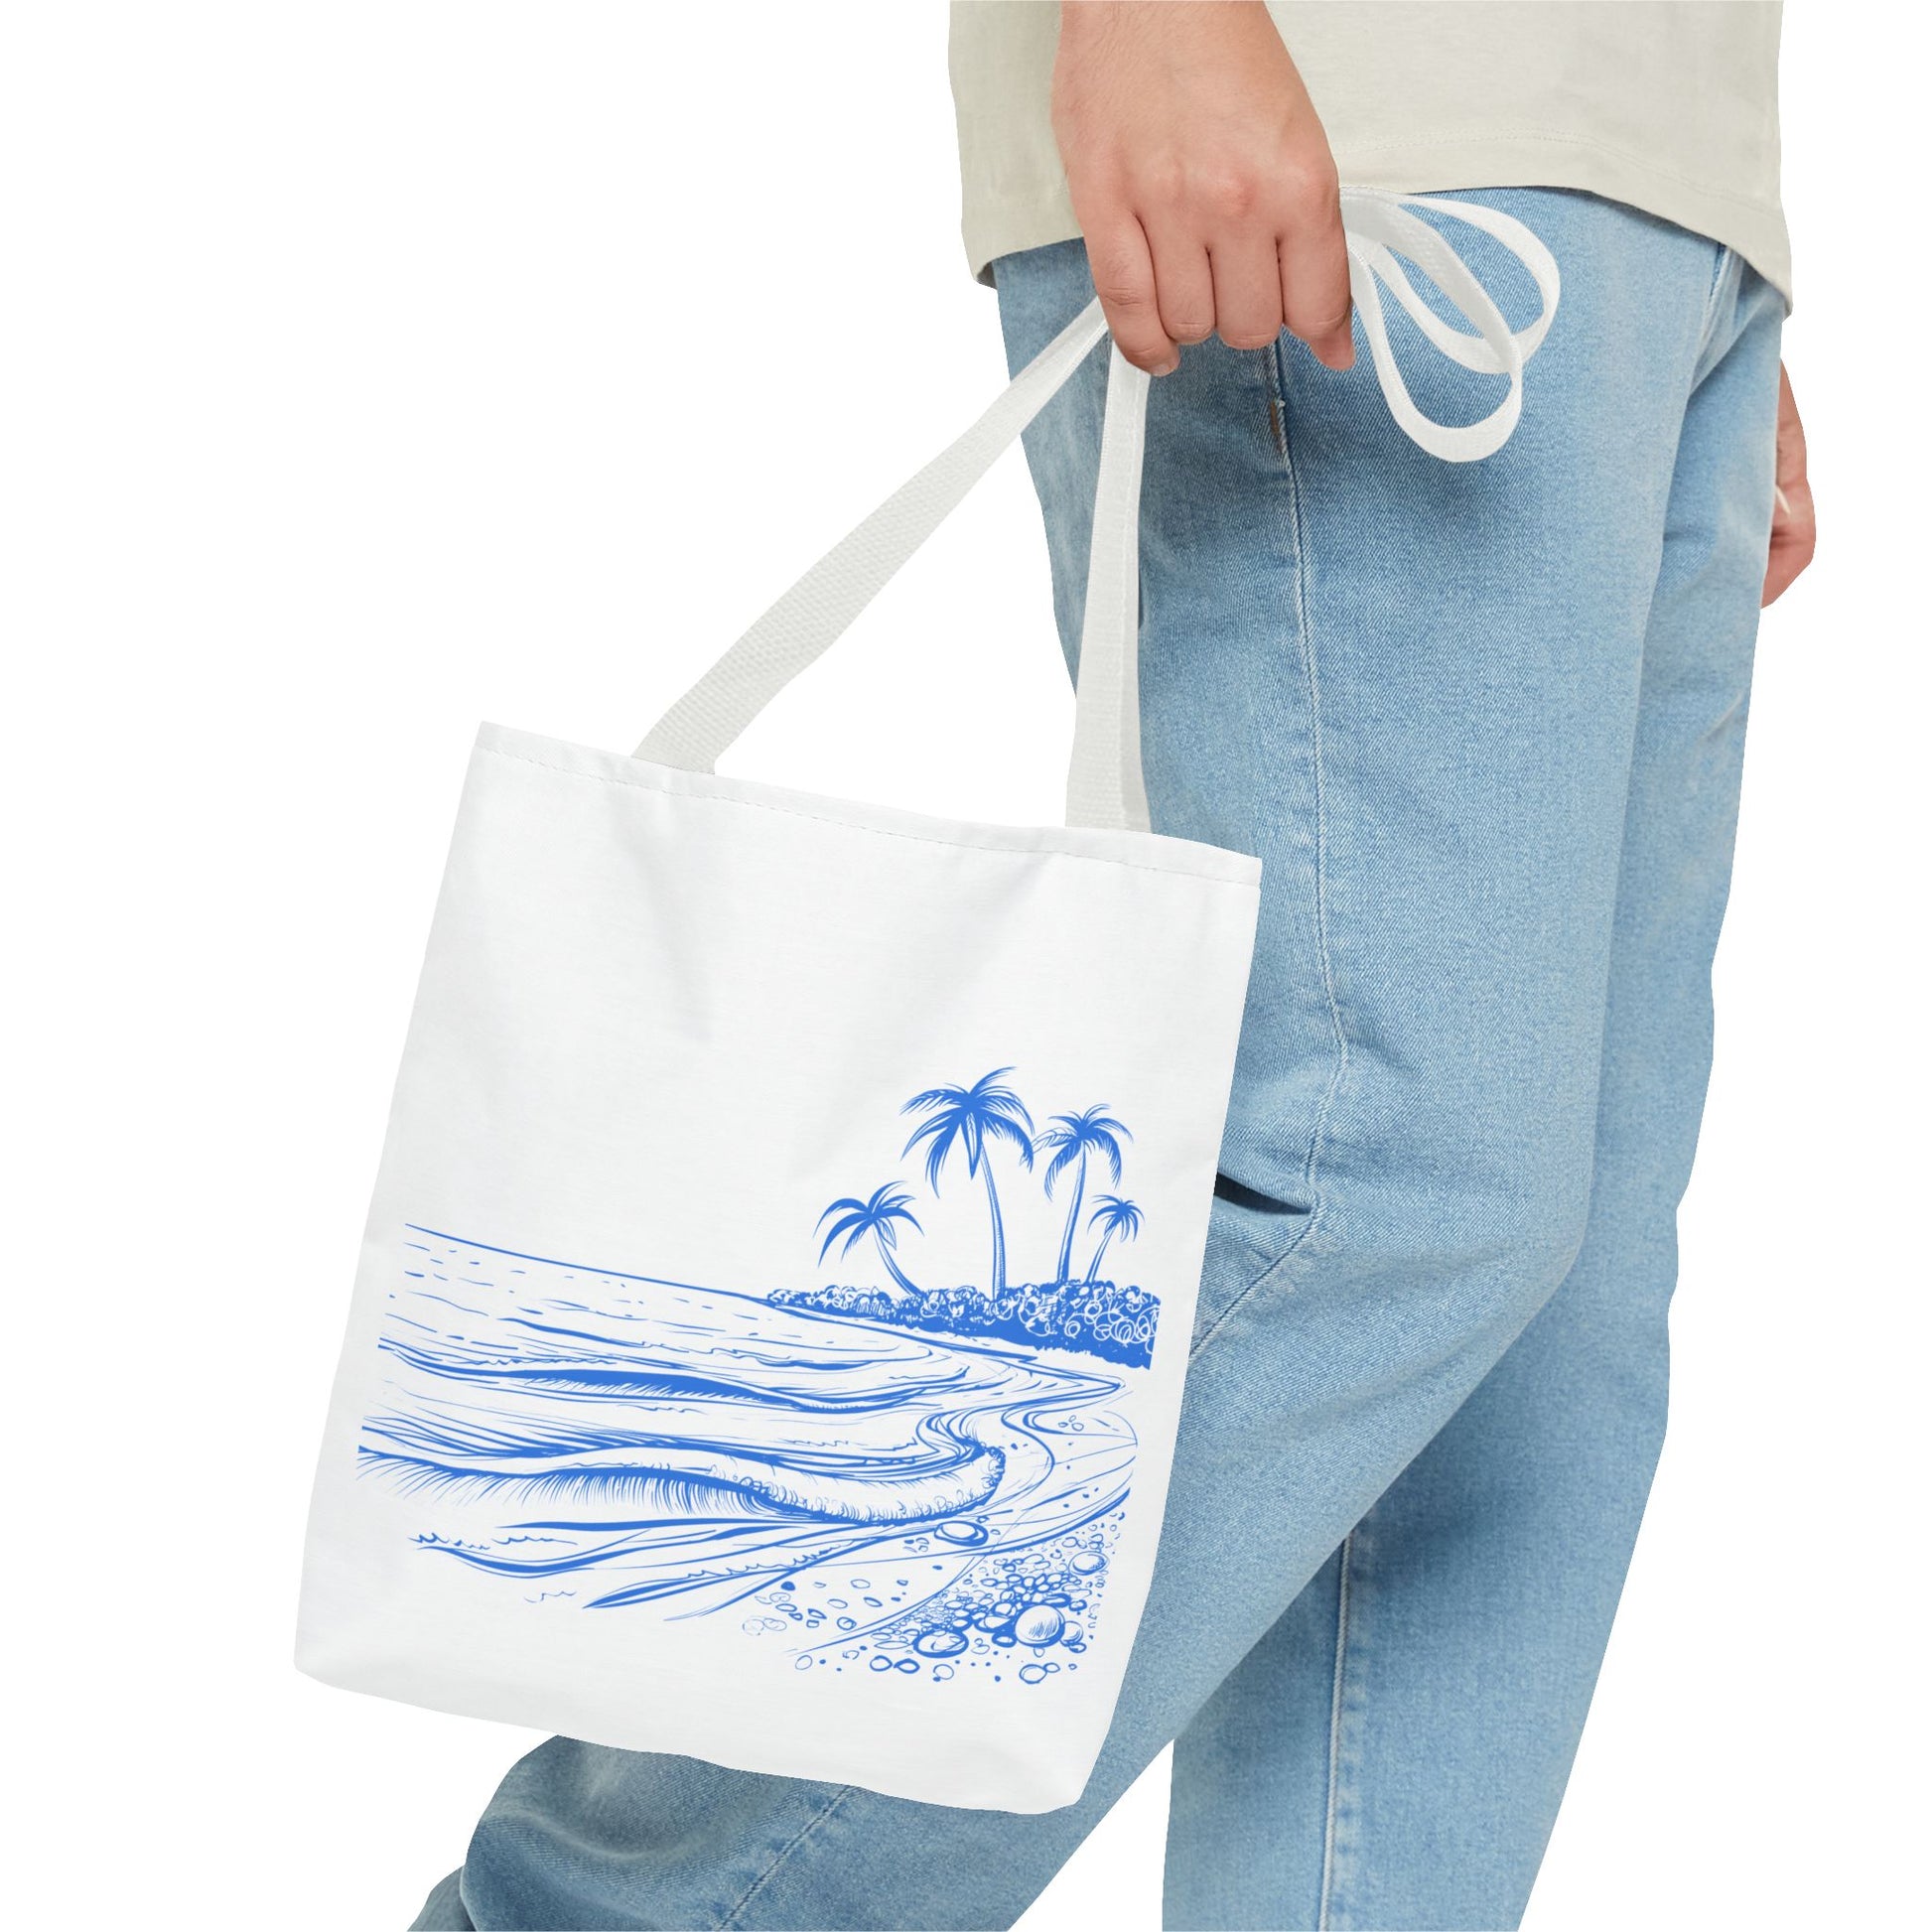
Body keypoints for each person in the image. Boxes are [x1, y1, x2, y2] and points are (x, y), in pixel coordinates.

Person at [412, 4, 1814, 1926]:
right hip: (1367, 123)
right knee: (1375, 1195)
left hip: (1642, 188)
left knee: (1535, 1347)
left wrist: (1697, 231)